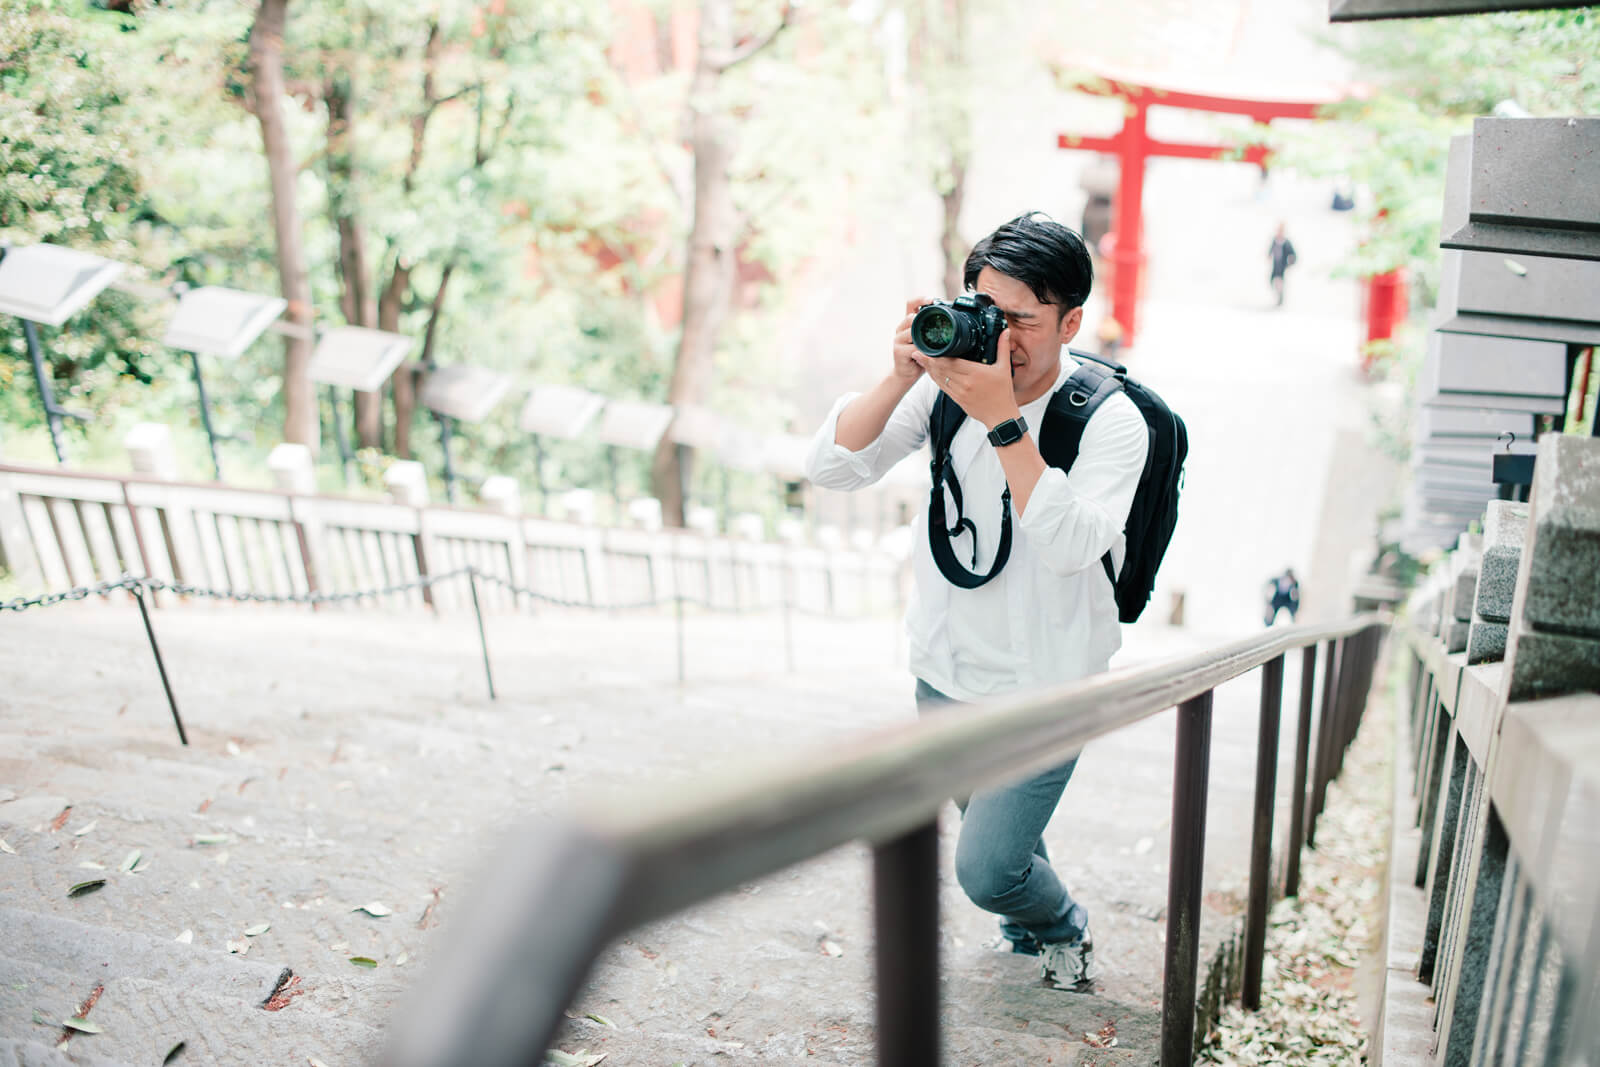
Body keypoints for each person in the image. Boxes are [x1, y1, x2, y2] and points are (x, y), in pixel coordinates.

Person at [804, 213, 1149, 992]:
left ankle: (1062, 925)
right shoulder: (944, 392)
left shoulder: (1110, 422)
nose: (999, 335)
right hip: (947, 670)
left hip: (1048, 687)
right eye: (984, 308)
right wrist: (902, 375)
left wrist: (1003, 418)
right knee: (999, 842)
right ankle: (1031, 921)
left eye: (1021, 319)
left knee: (988, 869)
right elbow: (832, 468)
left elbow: (1068, 544)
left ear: (1070, 322)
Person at [1268, 223, 1297, 308]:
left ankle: (1280, 299)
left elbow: (1292, 253)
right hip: (1275, 264)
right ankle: (1278, 294)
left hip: (1282, 265)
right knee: (1272, 280)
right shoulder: (1275, 240)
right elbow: (1271, 248)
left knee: (1279, 281)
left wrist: (1291, 261)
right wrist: (1269, 255)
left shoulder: (1286, 243)